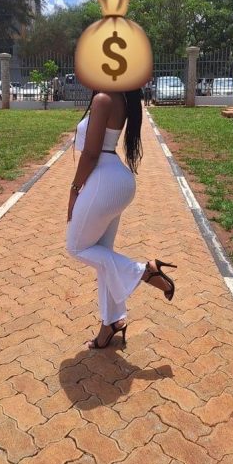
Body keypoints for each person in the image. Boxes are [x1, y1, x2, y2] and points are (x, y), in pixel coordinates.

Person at [66, 89, 177, 349]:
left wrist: (74, 189)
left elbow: (91, 153)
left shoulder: (103, 99)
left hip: (104, 180)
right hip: (115, 179)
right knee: (104, 258)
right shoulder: (119, 98)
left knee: (76, 248)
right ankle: (112, 323)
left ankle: (145, 271)